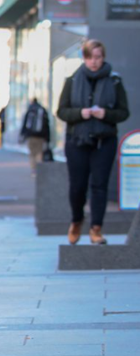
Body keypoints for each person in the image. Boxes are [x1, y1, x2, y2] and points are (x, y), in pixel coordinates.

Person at [57, 39, 129, 245]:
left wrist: (105, 113)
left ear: (103, 57)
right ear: (84, 58)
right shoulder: (72, 80)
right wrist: (81, 113)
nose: (94, 62)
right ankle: (77, 220)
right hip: (77, 140)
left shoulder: (114, 81)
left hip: (104, 140)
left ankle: (96, 228)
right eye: (90, 57)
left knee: (99, 185)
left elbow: (124, 112)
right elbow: (61, 111)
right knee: (78, 187)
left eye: (97, 57)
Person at [20, 98, 50, 174]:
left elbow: (25, 124)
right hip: (41, 136)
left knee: (32, 153)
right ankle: (38, 170)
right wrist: (47, 138)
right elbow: (47, 125)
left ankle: (33, 170)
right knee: (39, 153)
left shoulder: (30, 110)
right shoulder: (42, 110)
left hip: (30, 136)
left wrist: (22, 135)